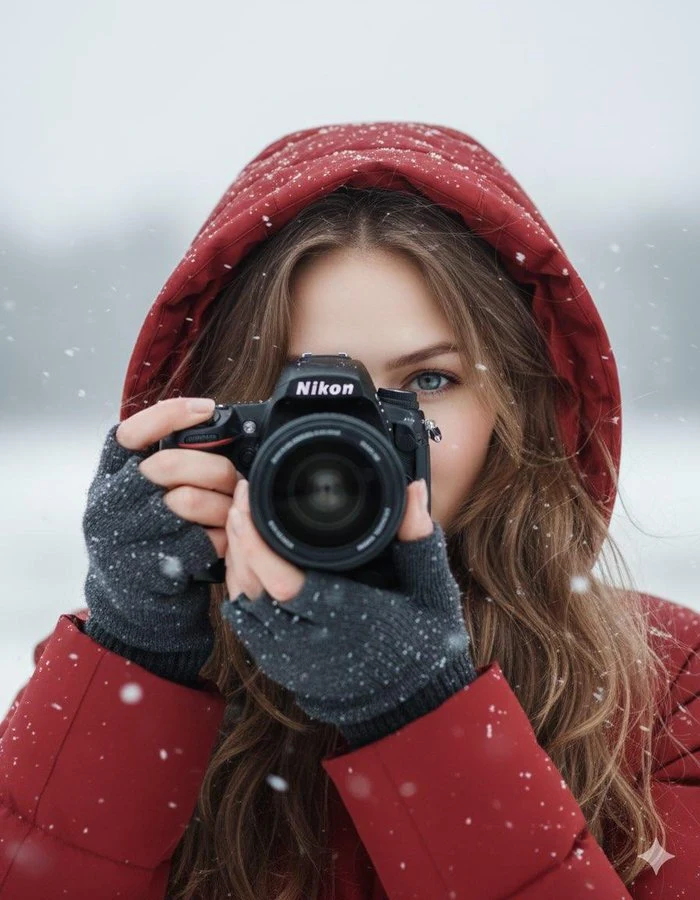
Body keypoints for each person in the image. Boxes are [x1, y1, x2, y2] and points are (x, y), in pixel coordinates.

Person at [1, 122, 698, 900]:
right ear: (213, 412)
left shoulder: (663, 688)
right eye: (298, 390)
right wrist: (137, 661)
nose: (352, 441)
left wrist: (422, 711)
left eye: (428, 383)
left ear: (521, 406)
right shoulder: (111, 674)